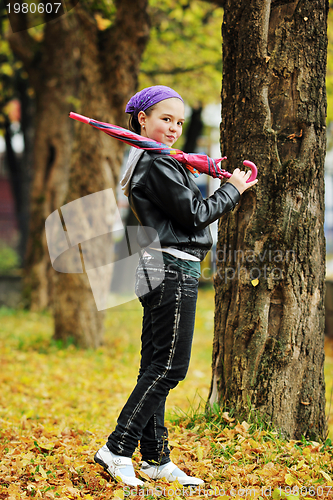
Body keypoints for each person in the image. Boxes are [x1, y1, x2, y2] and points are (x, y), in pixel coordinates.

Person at [94, 86, 258, 487]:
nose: (173, 128)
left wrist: (199, 169)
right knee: (170, 367)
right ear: (142, 119)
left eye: (179, 122)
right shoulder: (156, 163)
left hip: (153, 262)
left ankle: (154, 457)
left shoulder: (149, 161)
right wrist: (233, 187)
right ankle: (117, 448)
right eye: (165, 119)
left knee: (154, 365)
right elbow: (196, 215)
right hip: (171, 265)